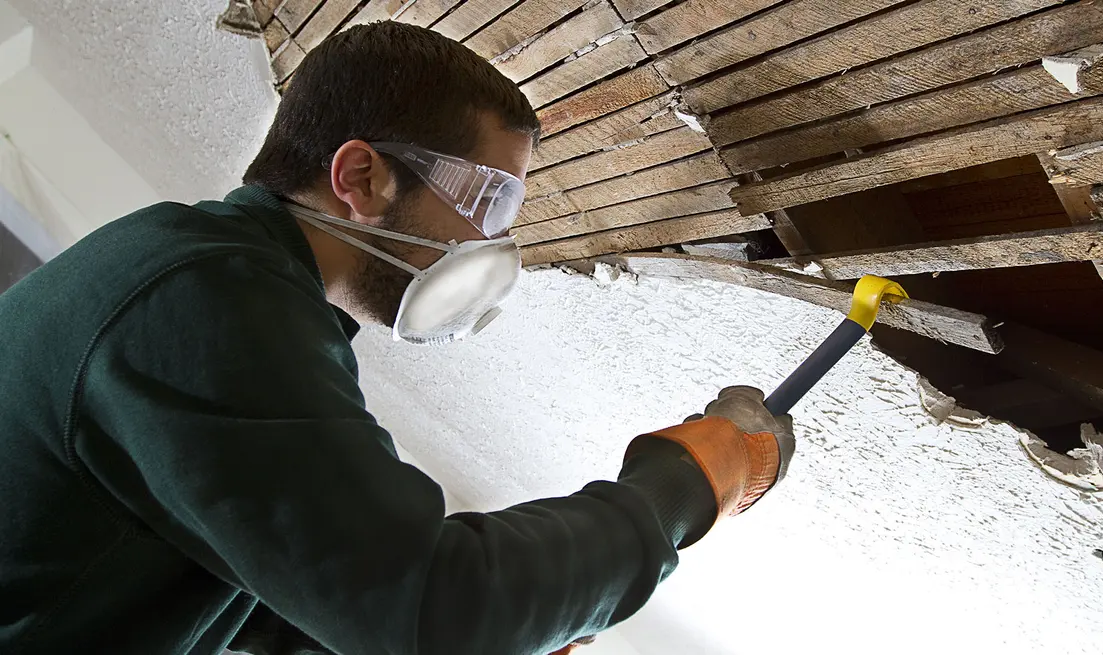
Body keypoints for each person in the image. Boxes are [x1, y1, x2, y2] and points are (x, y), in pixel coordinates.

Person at [0, 21, 794, 655]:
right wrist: (687, 481)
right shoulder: (202, 299)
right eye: (486, 203)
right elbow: (431, 607)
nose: (494, 246)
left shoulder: (212, 286)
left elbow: (274, 602)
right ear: (362, 177)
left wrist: (520, 621)